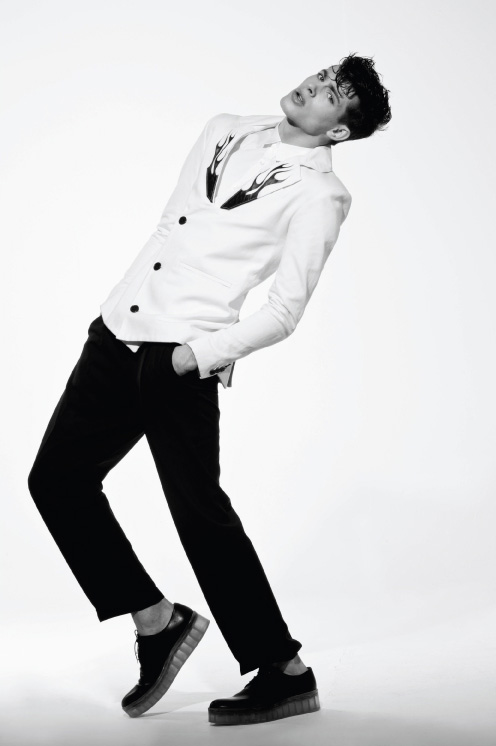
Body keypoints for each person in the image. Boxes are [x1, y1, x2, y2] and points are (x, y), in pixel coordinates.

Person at [28, 53, 391, 726]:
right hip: (117, 332)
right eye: (321, 75)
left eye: (331, 93)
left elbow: (285, 310)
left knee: (199, 512)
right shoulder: (224, 127)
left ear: (340, 130)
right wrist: (119, 316)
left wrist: (201, 355)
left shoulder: (321, 195)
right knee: (55, 481)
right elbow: (178, 229)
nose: (313, 85)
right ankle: (156, 621)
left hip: (179, 358)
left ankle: (284, 671)